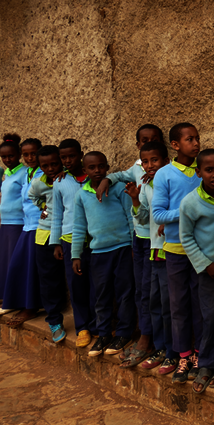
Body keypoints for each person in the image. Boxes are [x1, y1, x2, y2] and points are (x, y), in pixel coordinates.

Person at [96, 124, 164, 362]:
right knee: (141, 290)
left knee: (152, 291)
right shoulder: (137, 168)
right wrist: (106, 179)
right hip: (141, 238)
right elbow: (119, 176)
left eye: (153, 140)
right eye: (144, 141)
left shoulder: (164, 174)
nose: (147, 144)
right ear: (137, 146)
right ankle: (145, 335)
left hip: (159, 240)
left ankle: (150, 339)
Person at [151, 123, 203, 384]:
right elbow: (158, 214)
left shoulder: (205, 170)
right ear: (175, 145)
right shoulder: (165, 174)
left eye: (197, 138)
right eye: (189, 139)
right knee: (179, 305)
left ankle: (200, 356)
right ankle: (183, 355)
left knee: (200, 304)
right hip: (176, 250)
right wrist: (186, 211)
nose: (195, 143)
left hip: (204, 250)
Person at [71, 152, 136, 357]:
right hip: (98, 253)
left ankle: (124, 332)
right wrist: (76, 255)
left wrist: (134, 246)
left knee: (125, 292)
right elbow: (79, 226)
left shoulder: (118, 189)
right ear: (85, 171)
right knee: (102, 295)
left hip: (123, 249)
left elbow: (130, 217)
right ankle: (103, 333)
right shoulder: (82, 195)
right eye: (92, 167)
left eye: (101, 166)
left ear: (108, 167)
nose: (97, 170)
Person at [180, 149, 214, 394]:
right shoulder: (191, 202)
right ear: (198, 172)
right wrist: (205, 264)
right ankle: (207, 364)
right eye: (209, 170)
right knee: (210, 317)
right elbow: (186, 238)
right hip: (210, 271)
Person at [124, 141, 175, 371]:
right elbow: (144, 218)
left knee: (169, 304)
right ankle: (161, 346)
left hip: (172, 250)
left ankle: (173, 351)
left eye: (154, 160)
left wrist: (170, 221)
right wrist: (135, 198)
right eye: (145, 161)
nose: (149, 165)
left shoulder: (173, 180)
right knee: (155, 301)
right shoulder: (145, 184)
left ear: (166, 160)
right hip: (155, 250)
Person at [51, 139, 96, 348]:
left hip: (95, 239)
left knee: (97, 285)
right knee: (76, 285)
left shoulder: (95, 177)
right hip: (69, 240)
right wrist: (56, 242)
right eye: (63, 157)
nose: (68, 160)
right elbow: (56, 213)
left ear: (81, 154)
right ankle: (83, 327)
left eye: (71, 156)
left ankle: (98, 326)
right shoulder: (59, 182)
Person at [28, 146, 69, 343]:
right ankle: (54, 320)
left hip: (68, 235)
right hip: (45, 236)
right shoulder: (38, 183)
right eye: (45, 165)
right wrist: (43, 207)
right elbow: (32, 197)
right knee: (48, 279)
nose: (51, 168)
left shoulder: (68, 179)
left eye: (55, 163)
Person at [2, 138, 43, 325]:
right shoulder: (28, 173)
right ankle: (18, 302)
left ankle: (30, 307)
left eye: (33, 153)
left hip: (38, 227)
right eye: (26, 154)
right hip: (28, 225)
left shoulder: (43, 173)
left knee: (29, 267)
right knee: (20, 265)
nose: (29, 157)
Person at [0, 134, 28, 310]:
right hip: (6, 223)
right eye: (3, 157)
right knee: (5, 262)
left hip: (18, 223)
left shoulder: (24, 172)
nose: (7, 159)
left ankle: (14, 301)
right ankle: (5, 297)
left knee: (14, 262)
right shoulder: (7, 174)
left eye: (11, 156)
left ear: (18, 154)